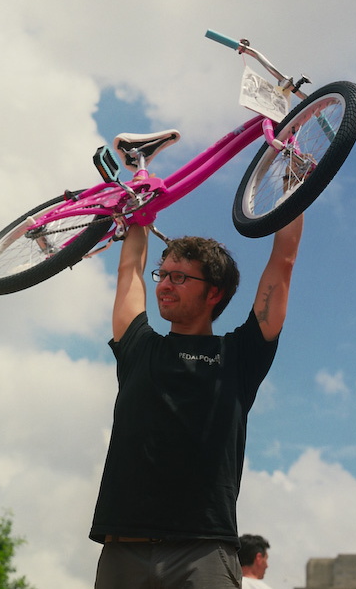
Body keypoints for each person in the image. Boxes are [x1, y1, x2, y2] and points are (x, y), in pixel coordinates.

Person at [89, 214, 304, 589]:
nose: (164, 286)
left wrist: (293, 185)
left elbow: (283, 262)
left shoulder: (240, 356)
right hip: (124, 548)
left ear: (214, 292)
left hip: (203, 551)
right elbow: (128, 271)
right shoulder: (140, 347)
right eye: (163, 274)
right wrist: (141, 202)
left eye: (180, 277)